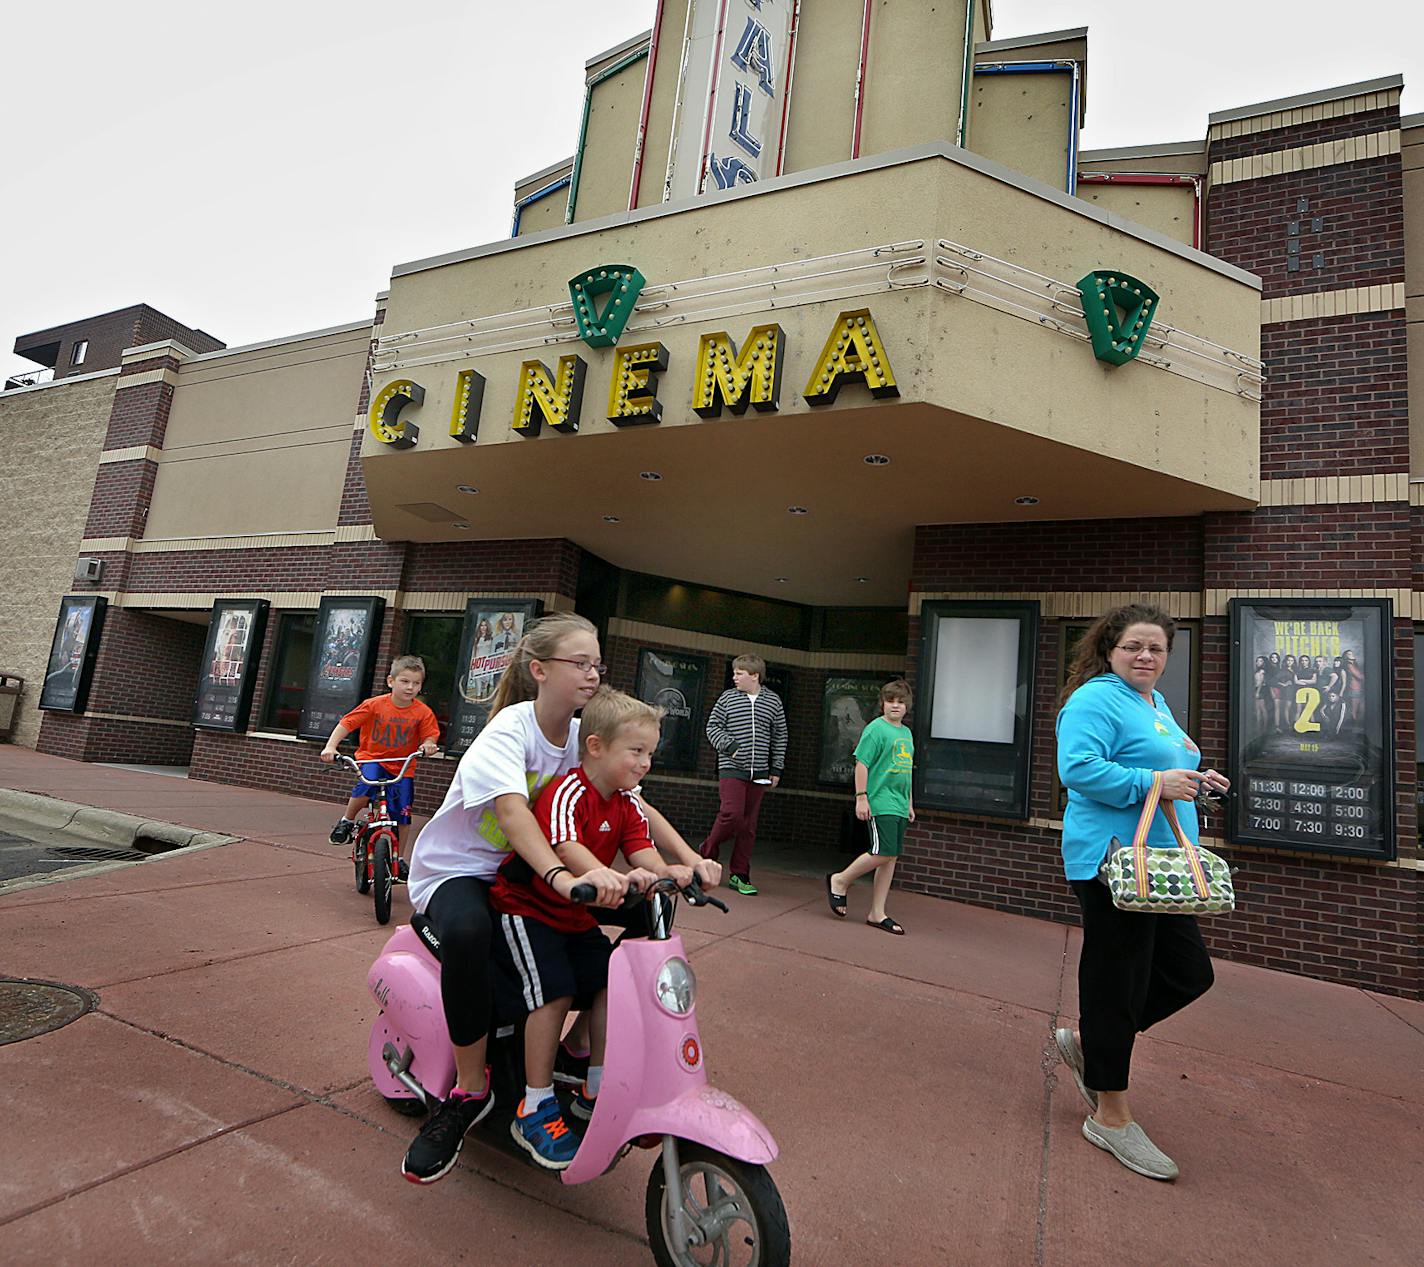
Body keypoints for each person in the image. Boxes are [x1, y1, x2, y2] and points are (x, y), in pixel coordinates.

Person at [397, 613, 711, 1185]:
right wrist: (561, 877)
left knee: (646, 910)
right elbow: (514, 814)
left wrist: (687, 862)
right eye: (581, 663)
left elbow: (637, 805)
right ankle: (470, 1091)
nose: (593, 673)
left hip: (535, 869)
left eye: (598, 663)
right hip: (467, 869)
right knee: (469, 932)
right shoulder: (509, 733)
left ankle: (577, 1051)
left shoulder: (582, 738)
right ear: (540, 670)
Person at [488, 687, 718, 1169]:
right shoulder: (568, 791)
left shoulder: (626, 803)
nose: (644, 763)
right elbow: (567, 847)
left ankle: (596, 1088)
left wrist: (669, 872)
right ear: (596, 747)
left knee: (616, 983)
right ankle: (535, 1104)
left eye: (650, 753)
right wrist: (603, 872)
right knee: (551, 993)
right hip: (527, 908)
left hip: (573, 916)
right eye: (635, 751)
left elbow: (642, 849)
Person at [1052, 603, 1230, 1182]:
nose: (1146, 656)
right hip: (1114, 862)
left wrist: (1198, 782)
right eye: (1133, 646)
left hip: (1164, 862)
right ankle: (1111, 1114)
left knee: (1188, 973)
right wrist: (1156, 781)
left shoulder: (1154, 705)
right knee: (1117, 979)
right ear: (1110, 650)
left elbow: (1164, 766)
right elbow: (1077, 769)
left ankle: (1094, 1043)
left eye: (1156, 648)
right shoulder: (1095, 699)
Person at [321, 655, 441, 855]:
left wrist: (428, 745)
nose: (410, 687)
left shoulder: (423, 712)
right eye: (404, 681)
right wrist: (331, 747)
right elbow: (347, 723)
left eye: (416, 683)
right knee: (366, 785)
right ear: (390, 681)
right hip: (373, 758)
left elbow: (430, 736)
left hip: (403, 766)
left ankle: (399, 858)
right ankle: (347, 821)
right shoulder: (375, 705)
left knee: (402, 814)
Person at [825, 679, 914, 934]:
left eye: (900, 702)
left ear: (907, 706)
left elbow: (907, 770)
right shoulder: (875, 729)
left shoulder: (906, 734)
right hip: (880, 800)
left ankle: (877, 912)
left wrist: (909, 802)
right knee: (883, 851)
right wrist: (861, 797)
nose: (895, 706)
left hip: (898, 803)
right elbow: (862, 764)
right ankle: (840, 880)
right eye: (890, 701)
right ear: (882, 704)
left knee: (890, 858)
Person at [699, 654, 788, 895]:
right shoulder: (728, 698)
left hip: (760, 772)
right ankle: (707, 852)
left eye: (739, 673)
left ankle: (740, 874)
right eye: (735, 672)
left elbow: (780, 735)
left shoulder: (773, 701)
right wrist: (730, 746)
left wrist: (776, 768)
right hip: (731, 768)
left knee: (748, 826)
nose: (734, 677)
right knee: (731, 814)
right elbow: (712, 726)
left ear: (754, 676)